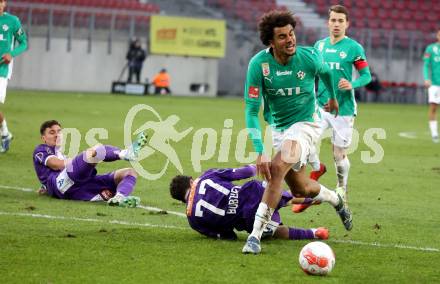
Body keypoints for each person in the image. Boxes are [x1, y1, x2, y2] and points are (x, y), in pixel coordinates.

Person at [242, 10, 352, 254]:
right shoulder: (258, 65)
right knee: (300, 188)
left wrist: (332, 97)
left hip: (306, 125)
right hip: (279, 128)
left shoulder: (308, 57)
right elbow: (251, 111)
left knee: (276, 168)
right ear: (271, 42)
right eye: (282, 37)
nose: (290, 40)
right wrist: (260, 150)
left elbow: (327, 73)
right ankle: (336, 199)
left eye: (291, 34)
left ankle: (255, 236)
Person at [294, 5, 372, 213]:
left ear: (347, 24)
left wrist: (352, 84)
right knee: (305, 141)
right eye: (333, 20)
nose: (336, 24)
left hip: (343, 109)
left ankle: (341, 190)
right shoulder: (319, 46)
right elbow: (312, 74)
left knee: (339, 155)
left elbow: (366, 76)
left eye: (340, 21)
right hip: (320, 106)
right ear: (328, 22)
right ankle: (317, 169)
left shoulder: (354, 48)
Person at [170, 165, 329, 241]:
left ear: (181, 200)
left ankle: (314, 233)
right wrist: (258, 167)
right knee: (280, 196)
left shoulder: (192, 220)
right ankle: (314, 198)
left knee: (274, 231)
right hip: (251, 192)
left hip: (246, 219)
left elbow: (225, 235)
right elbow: (240, 173)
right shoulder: (205, 177)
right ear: (191, 181)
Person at [33, 120, 147, 207]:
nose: (57, 135)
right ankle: (125, 153)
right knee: (95, 150)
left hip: (77, 189)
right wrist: (82, 158)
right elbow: (56, 165)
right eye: (52, 132)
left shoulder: (61, 154)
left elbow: (49, 174)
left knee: (129, 172)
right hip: (63, 184)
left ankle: (119, 198)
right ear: (43, 138)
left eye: (59, 132)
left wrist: (45, 187)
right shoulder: (42, 149)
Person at [0, 0, 28, 153]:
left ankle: (5, 134)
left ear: (4, 3)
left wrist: (12, 54)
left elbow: (23, 43)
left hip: (2, 69)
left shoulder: (12, 21)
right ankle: (5, 134)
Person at [423, 29, 440, 143]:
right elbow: (426, 65)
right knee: (433, 107)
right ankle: (434, 134)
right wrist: (426, 78)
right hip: (435, 84)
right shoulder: (431, 48)